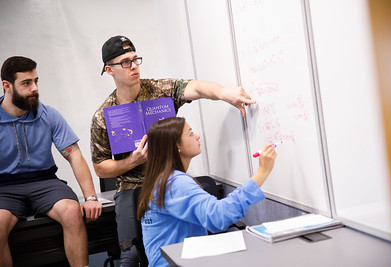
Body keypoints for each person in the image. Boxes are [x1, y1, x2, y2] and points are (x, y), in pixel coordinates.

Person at [90, 35, 256, 266]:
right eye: (125, 62)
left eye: (135, 59)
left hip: (170, 179)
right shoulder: (103, 116)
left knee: (202, 237)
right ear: (109, 70)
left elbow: (196, 87)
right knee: (131, 255)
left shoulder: (159, 89)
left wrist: (222, 93)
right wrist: (133, 161)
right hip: (132, 187)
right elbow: (100, 167)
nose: (134, 66)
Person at [0, 56, 103, 267]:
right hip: (4, 187)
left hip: (44, 181)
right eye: (26, 83)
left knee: (73, 210)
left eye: (36, 81)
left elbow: (74, 154)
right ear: (7, 86)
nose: (34, 88)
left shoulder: (48, 114)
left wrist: (90, 197)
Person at [137, 117, 277, 266]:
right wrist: (261, 172)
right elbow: (218, 217)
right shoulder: (174, 183)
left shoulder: (162, 179)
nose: (197, 136)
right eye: (190, 134)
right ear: (177, 145)